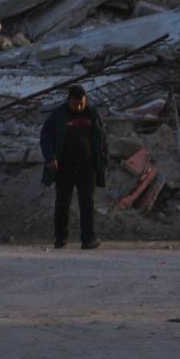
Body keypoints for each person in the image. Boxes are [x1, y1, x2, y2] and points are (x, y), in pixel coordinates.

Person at [40, 84, 106, 250]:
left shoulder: (92, 113)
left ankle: (88, 238)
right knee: (62, 203)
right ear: (69, 99)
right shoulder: (58, 115)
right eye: (76, 104)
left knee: (87, 203)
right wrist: (50, 157)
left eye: (82, 104)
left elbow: (101, 138)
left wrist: (103, 159)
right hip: (64, 167)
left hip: (87, 167)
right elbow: (45, 137)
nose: (79, 107)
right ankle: (60, 239)